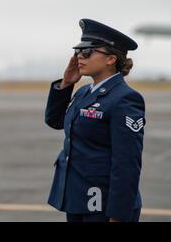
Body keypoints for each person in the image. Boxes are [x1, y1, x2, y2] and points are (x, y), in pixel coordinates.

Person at [45, 18, 145, 222]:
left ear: (110, 59)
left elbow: (126, 163)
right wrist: (66, 83)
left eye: (88, 52)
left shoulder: (125, 99)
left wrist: (118, 215)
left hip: (105, 206)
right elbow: (55, 121)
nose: (80, 57)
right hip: (77, 198)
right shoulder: (83, 92)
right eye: (78, 52)